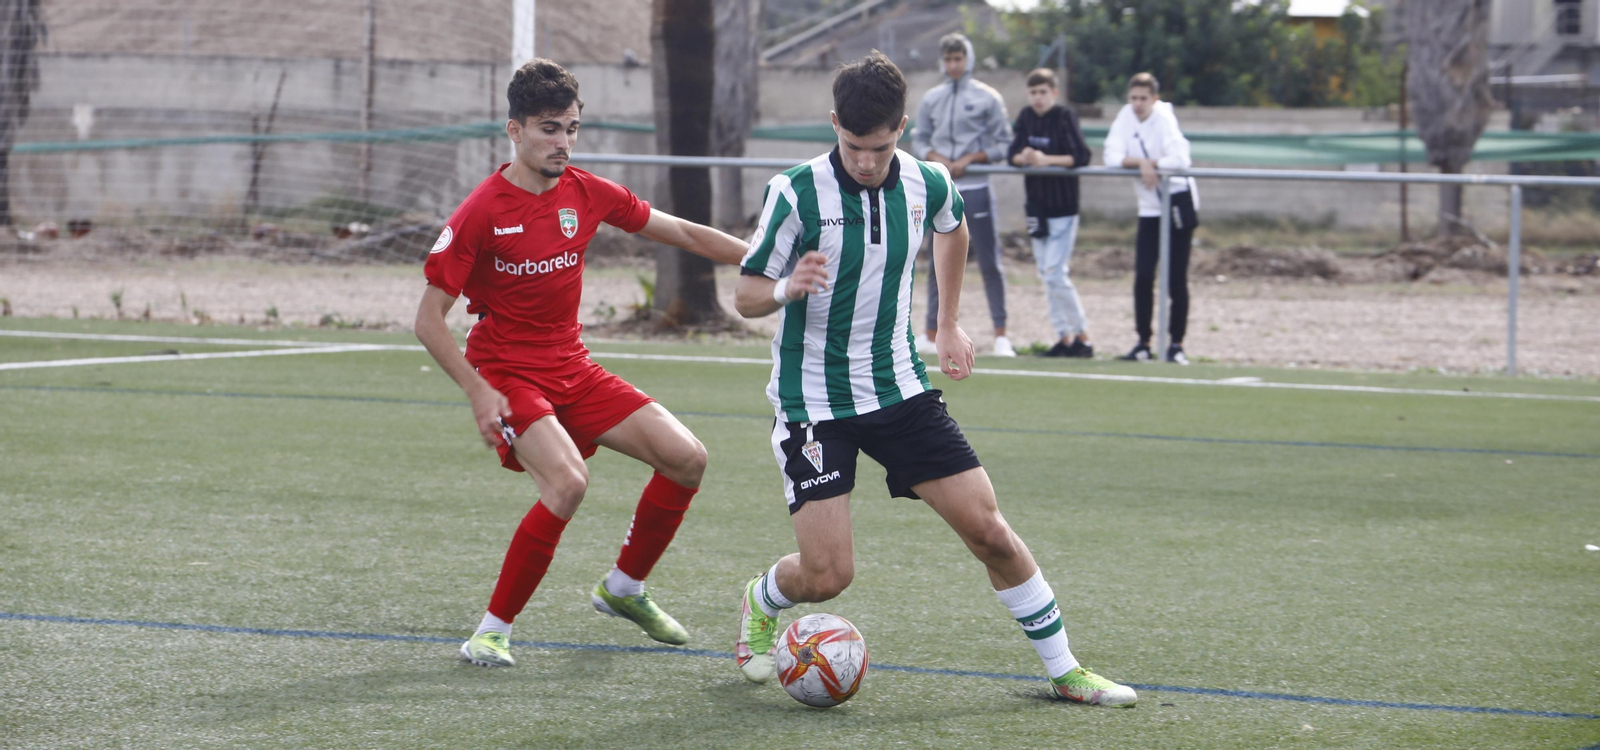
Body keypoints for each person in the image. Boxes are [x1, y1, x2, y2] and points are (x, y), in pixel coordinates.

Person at [730, 51, 1137, 707]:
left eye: (880, 147)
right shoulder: (796, 192)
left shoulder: (927, 181)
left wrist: (947, 323)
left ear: (903, 128)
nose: (866, 161)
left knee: (990, 532)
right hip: (815, 405)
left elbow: (954, 227)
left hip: (900, 390)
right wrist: (785, 287)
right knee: (829, 576)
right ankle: (763, 598)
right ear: (834, 124)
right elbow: (745, 295)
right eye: (853, 146)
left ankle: (1065, 672)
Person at [415, 59, 750, 668]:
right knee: (568, 483)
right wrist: (477, 391)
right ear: (515, 130)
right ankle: (491, 631)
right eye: (549, 129)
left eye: (570, 129)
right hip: (506, 373)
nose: (563, 142)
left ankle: (624, 587)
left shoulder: (587, 192)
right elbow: (428, 320)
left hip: (573, 367)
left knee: (687, 458)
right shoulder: (482, 211)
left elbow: (682, 233)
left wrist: (763, 259)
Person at [911, 33, 1017, 358]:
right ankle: (930, 333)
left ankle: (1001, 336)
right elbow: (919, 139)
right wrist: (937, 159)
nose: (953, 65)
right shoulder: (932, 98)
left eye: (958, 58)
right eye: (948, 59)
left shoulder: (988, 97)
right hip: (943, 192)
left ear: (968, 60)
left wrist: (971, 159)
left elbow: (1004, 143)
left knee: (989, 262)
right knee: (937, 264)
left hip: (977, 188)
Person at [1102, 72, 1199, 365]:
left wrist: (1152, 164)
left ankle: (1176, 344)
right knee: (1143, 276)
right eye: (1133, 98)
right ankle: (1143, 343)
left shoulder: (1165, 117)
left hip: (1176, 200)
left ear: (1154, 99)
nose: (1138, 104)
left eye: (1143, 98)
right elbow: (1110, 156)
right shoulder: (1125, 117)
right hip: (1149, 207)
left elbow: (1180, 159)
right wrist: (1140, 163)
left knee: (1176, 279)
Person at [1008, 68, 1094, 358]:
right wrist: (1025, 157)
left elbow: (1080, 155)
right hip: (1037, 207)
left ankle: (1083, 336)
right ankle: (1064, 337)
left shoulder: (1065, 116)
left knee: (1056, 274)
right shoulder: (1026, 117)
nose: (1038, 97)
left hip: (1063, 208)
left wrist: (1047, 160)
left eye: (1043, 92)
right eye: (1033, 92)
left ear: (1054, 93)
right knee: (1046, 275)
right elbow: (1012, 154)